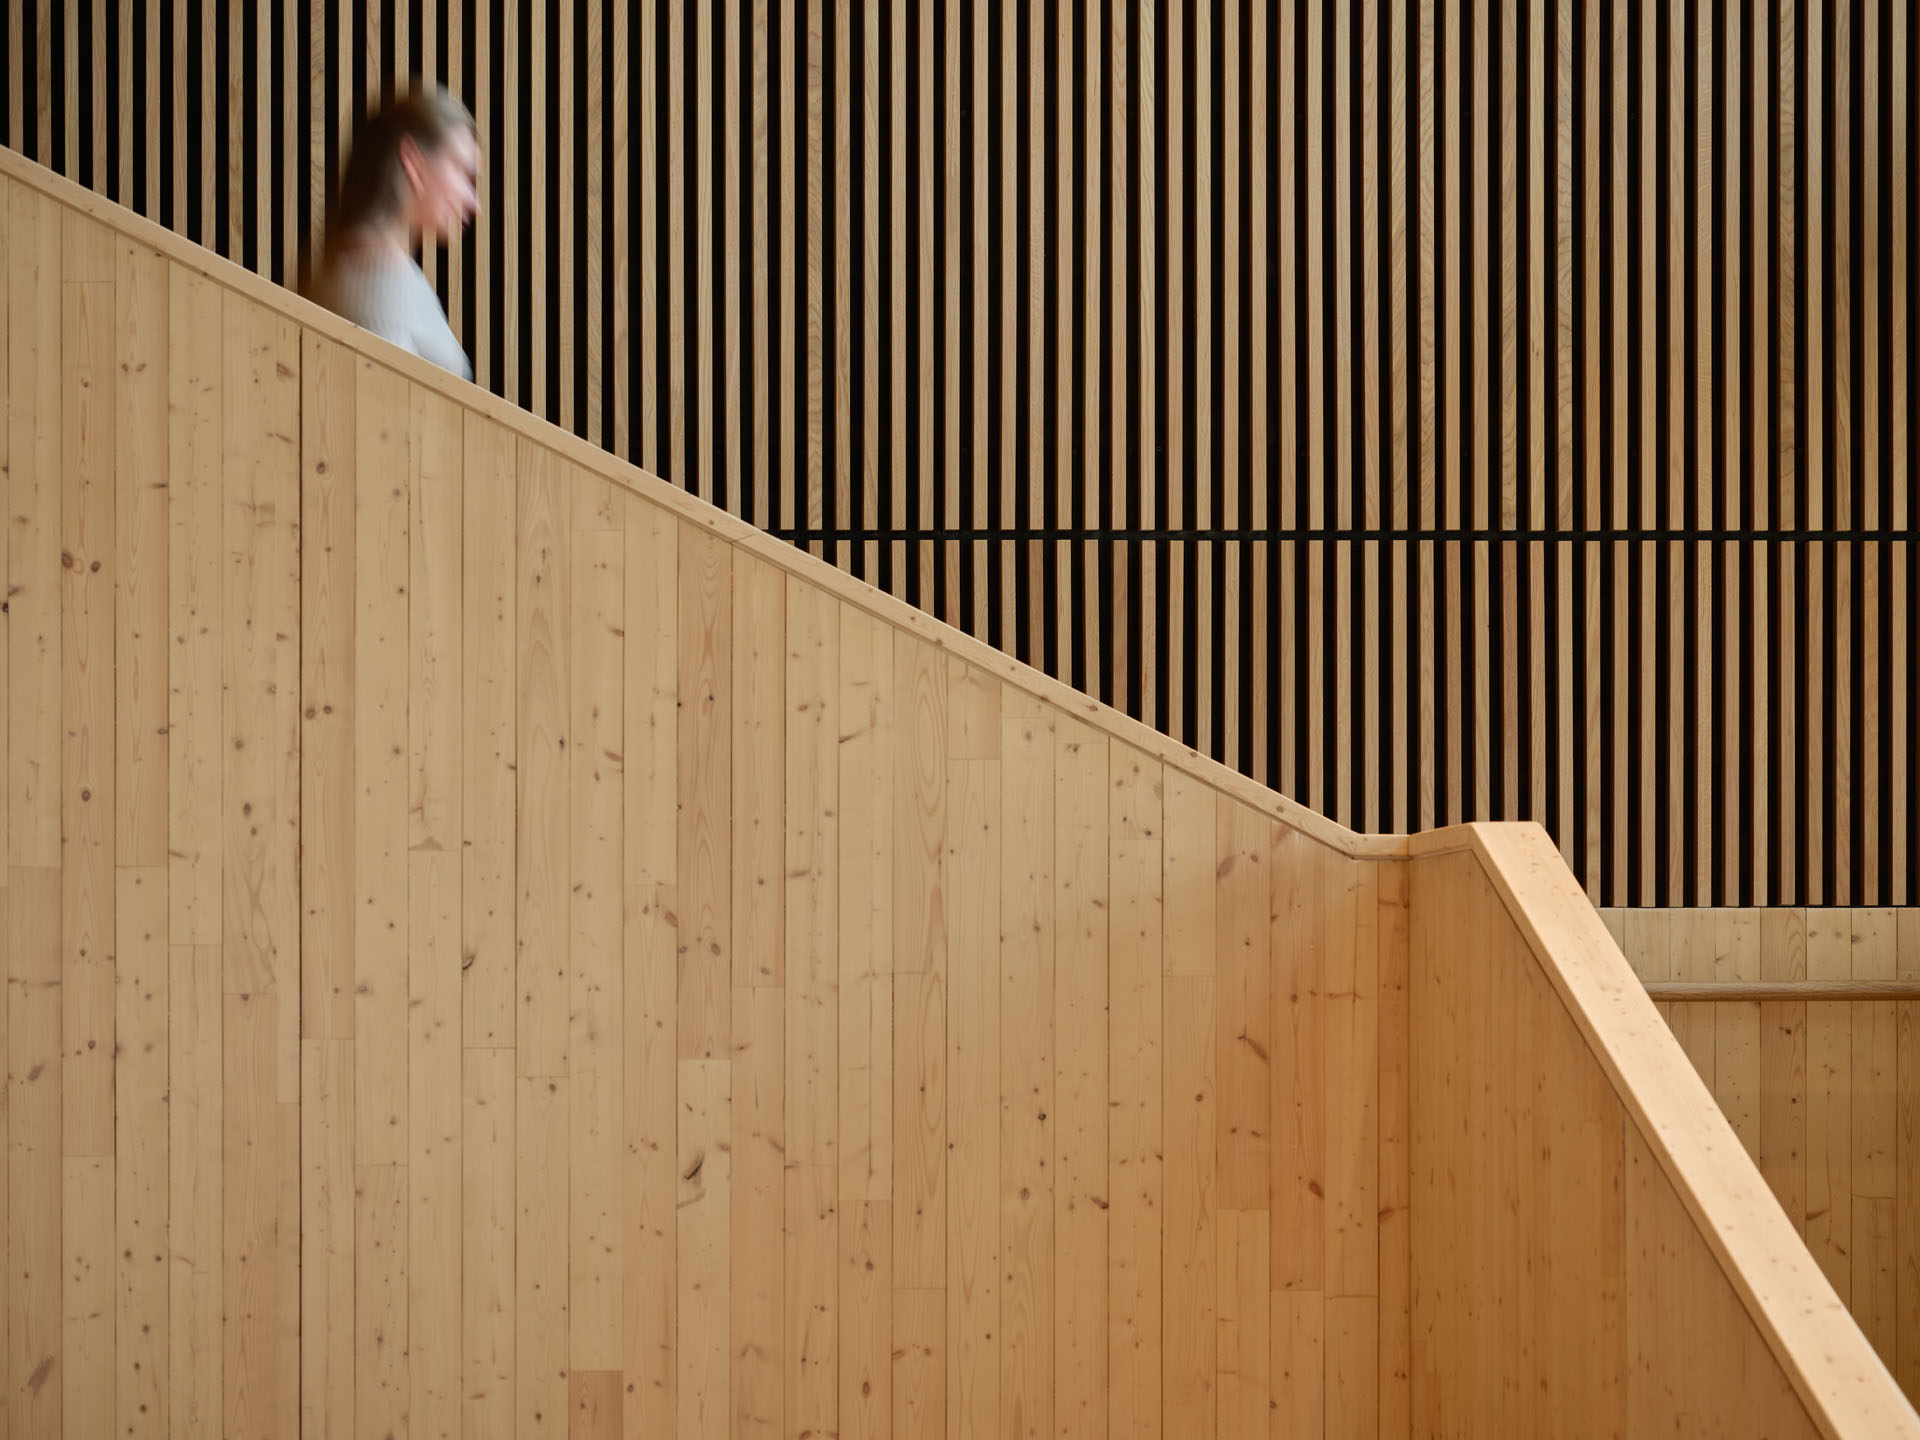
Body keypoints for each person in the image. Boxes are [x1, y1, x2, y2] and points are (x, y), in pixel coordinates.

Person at [309, 84, 478, 380]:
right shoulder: (380, 283)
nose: (473, 202)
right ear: (413, 162)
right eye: (460, 170)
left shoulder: (363, 266)